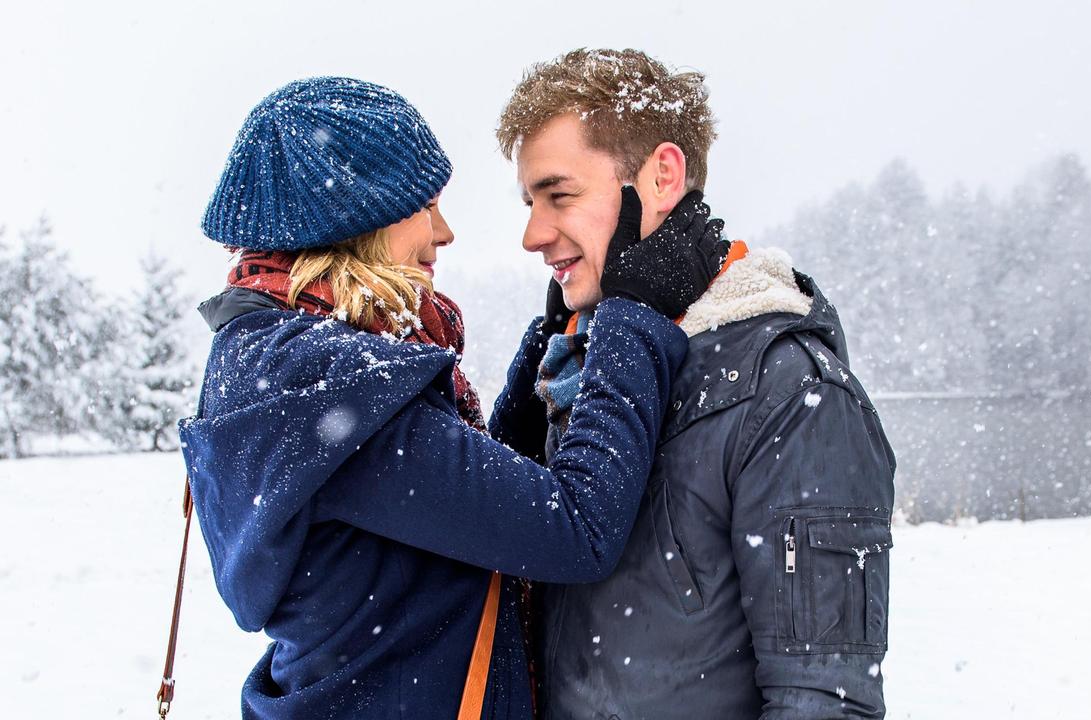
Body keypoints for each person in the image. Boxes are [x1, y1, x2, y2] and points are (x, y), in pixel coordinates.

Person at [179, 76, 718, 719]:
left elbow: (468, 513)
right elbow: (575, 529)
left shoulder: (274, 363)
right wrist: (635, 315)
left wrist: (553, 334)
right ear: (356, 217)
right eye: (425, 205)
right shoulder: (328, 383)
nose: (444, 231)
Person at [494, 49, 897, 718]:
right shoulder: (579, 375)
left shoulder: (790, 391)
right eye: (529, 201)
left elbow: (823, 700)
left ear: (662, 177)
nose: (533, 234)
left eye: (558, 195)